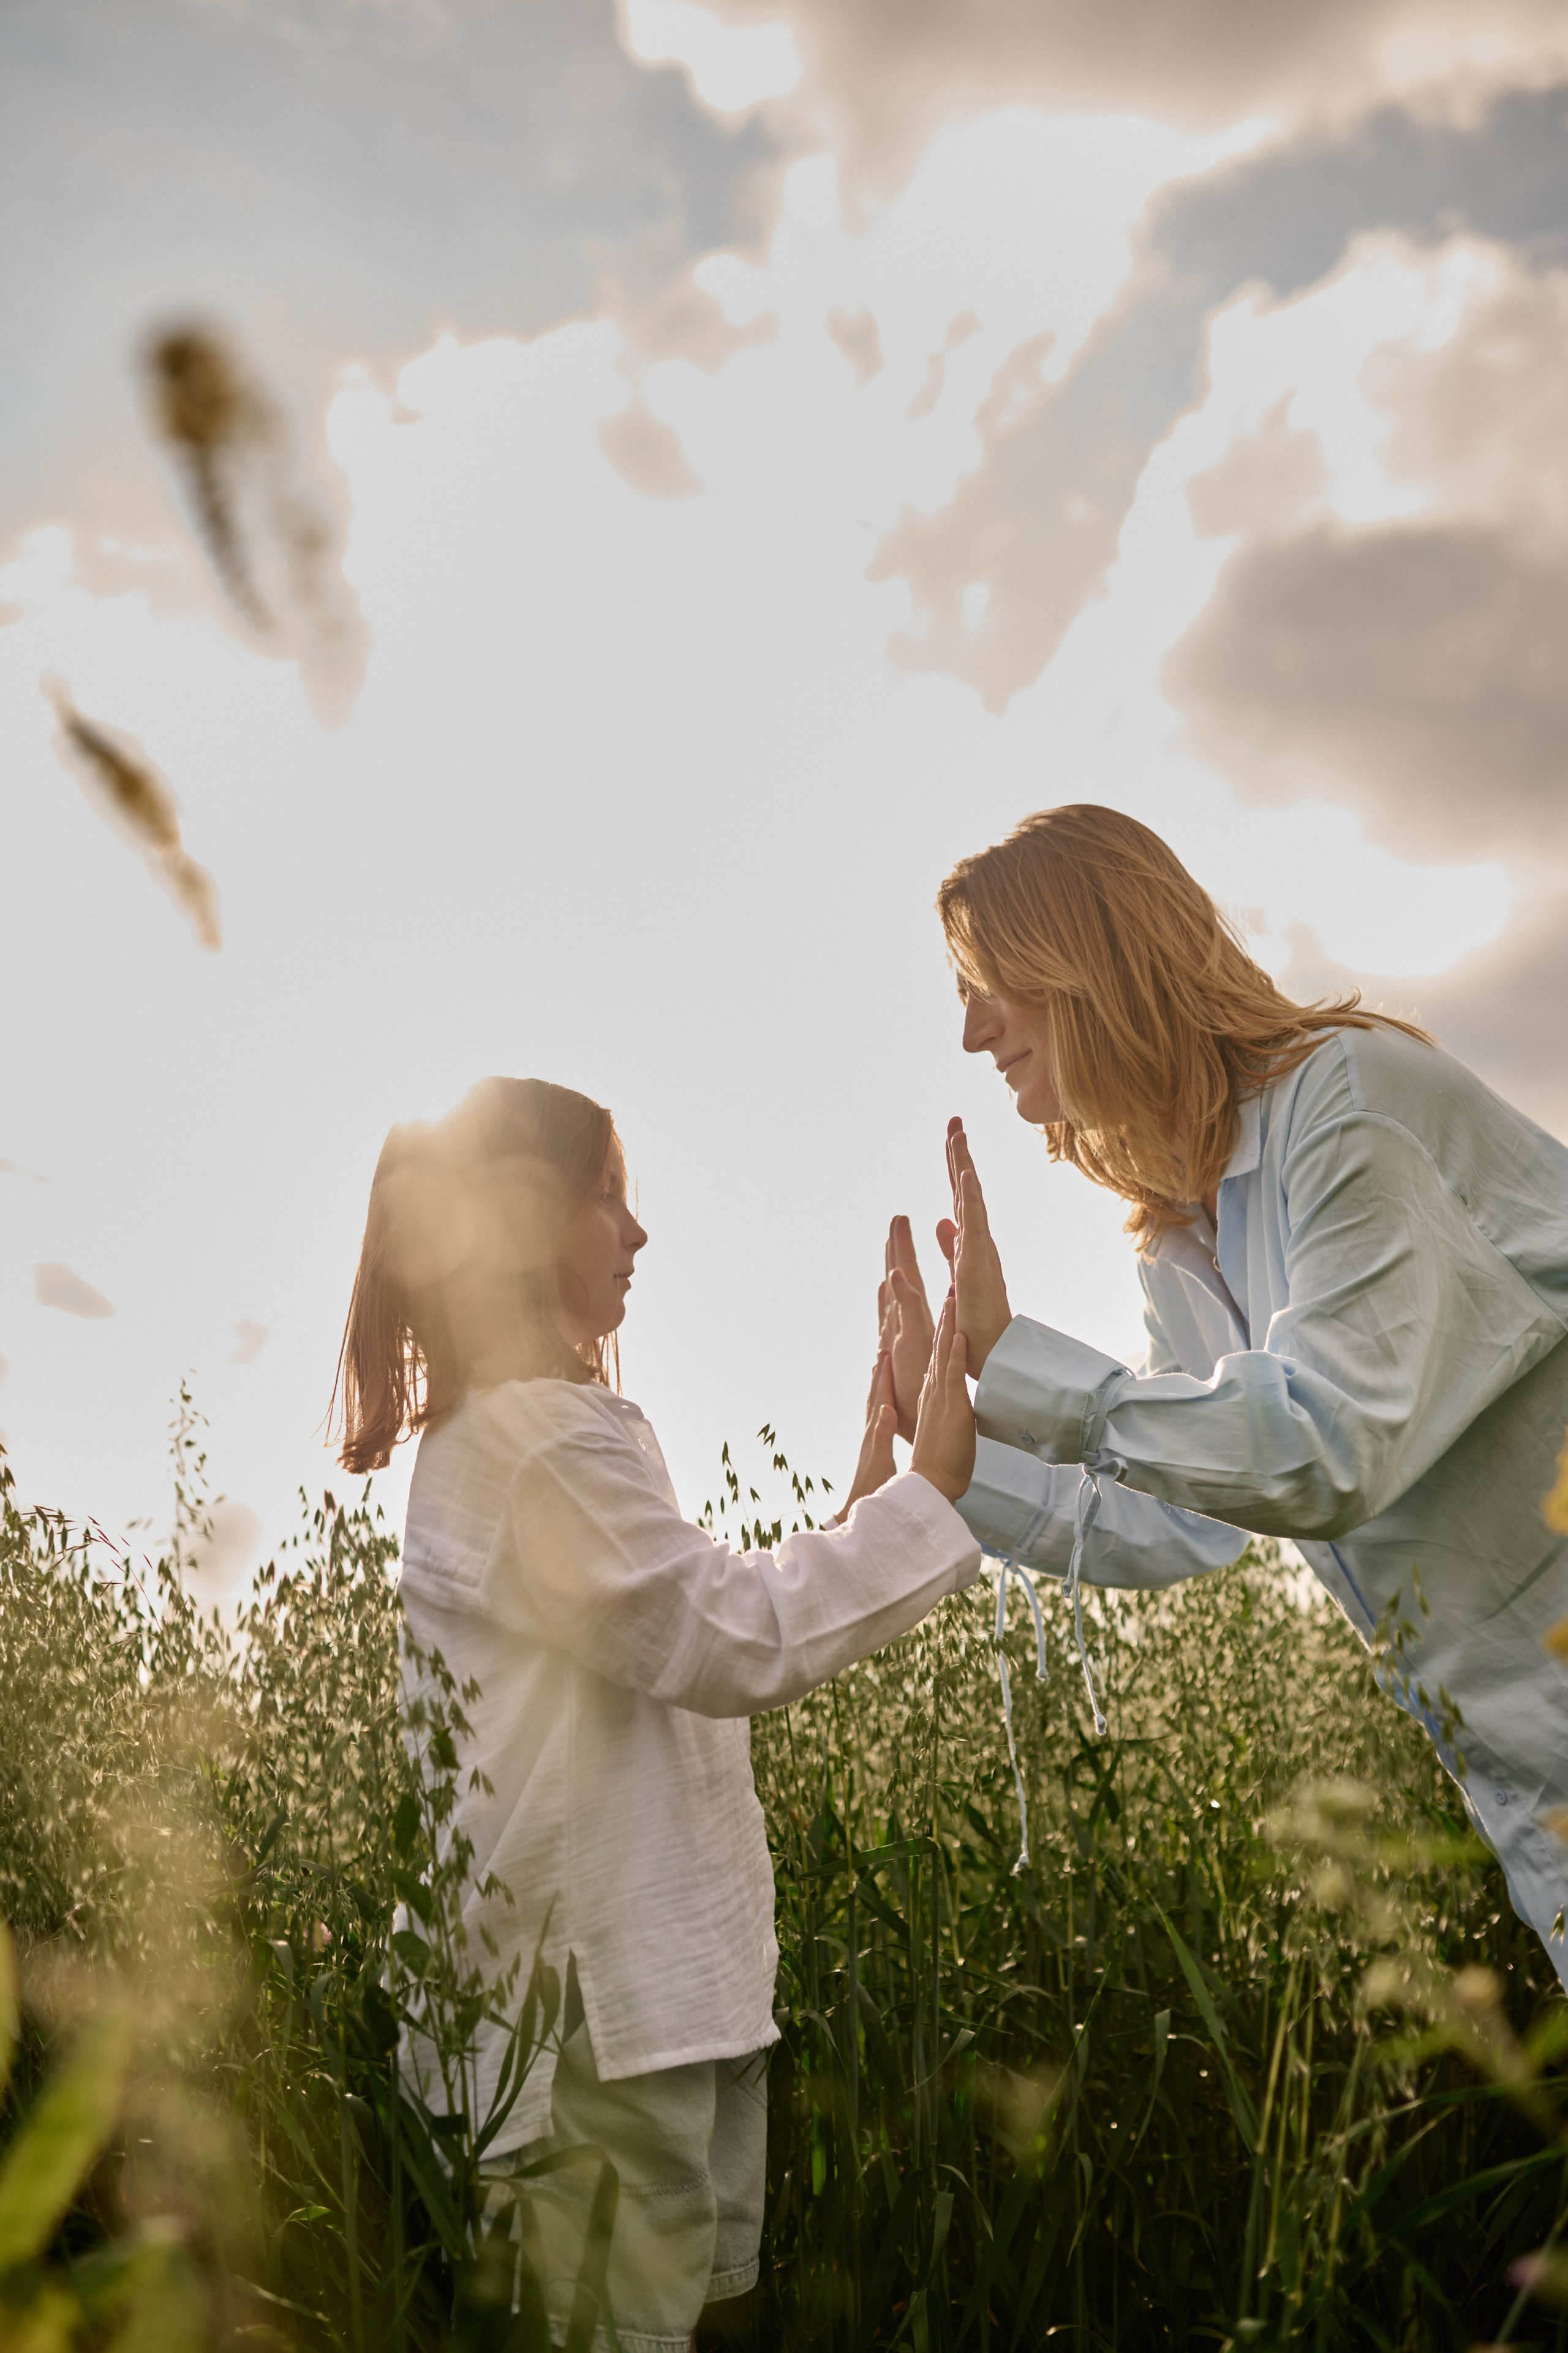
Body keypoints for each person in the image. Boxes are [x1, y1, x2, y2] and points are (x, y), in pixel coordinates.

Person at [333, 1076, 979, 2352]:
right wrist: (939, 1490)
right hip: (590, 2038)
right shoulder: (533, 1454)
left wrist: (873, 1476)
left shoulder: (554, 1435)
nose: (639, 1234)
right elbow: (730, 1636)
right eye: (609, 1199)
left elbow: (694, 1631)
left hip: (648, 2007)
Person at [876, 804, 1568, 1987]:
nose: (972, 1031)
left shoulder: (1351, 1109)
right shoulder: (1182, 1236)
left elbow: (1322, 1447)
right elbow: (1182, 1508)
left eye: (989, 981)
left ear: (1090, 960)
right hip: (1537, 1805)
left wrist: (1020, 1361)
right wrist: (949, 1443)